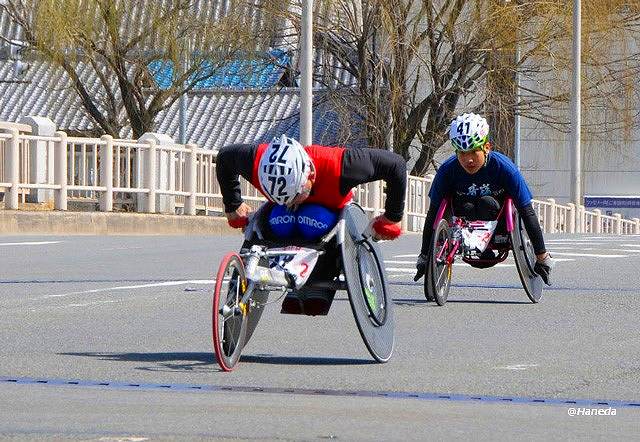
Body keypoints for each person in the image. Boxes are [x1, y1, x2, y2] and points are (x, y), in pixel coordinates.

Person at [216, 134, 407, 314]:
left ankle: (319, 274)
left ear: (310, 176)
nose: (292, 204)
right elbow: (225, 157)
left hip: (327, 217)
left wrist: (392, 218)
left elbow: (396, 165)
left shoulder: (340, 165)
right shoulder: (258, 161)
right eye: (286, 199)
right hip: (281, 218)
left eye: (295, 196)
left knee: (312, 219)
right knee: (280, 221)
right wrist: (233, 204)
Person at [414, 113, 554, 285]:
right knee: (466, 206)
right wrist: (424, 256)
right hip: (463, 218)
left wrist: (542, 257)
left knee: (486, 203)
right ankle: (476, 246)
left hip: (498, 221)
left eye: (474, 151)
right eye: (462, 153)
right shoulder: (447, 170)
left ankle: (485, 245)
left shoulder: (505, 168)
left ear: (486, 147)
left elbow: (527, 211)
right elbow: (433, 213)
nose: (468, 159)